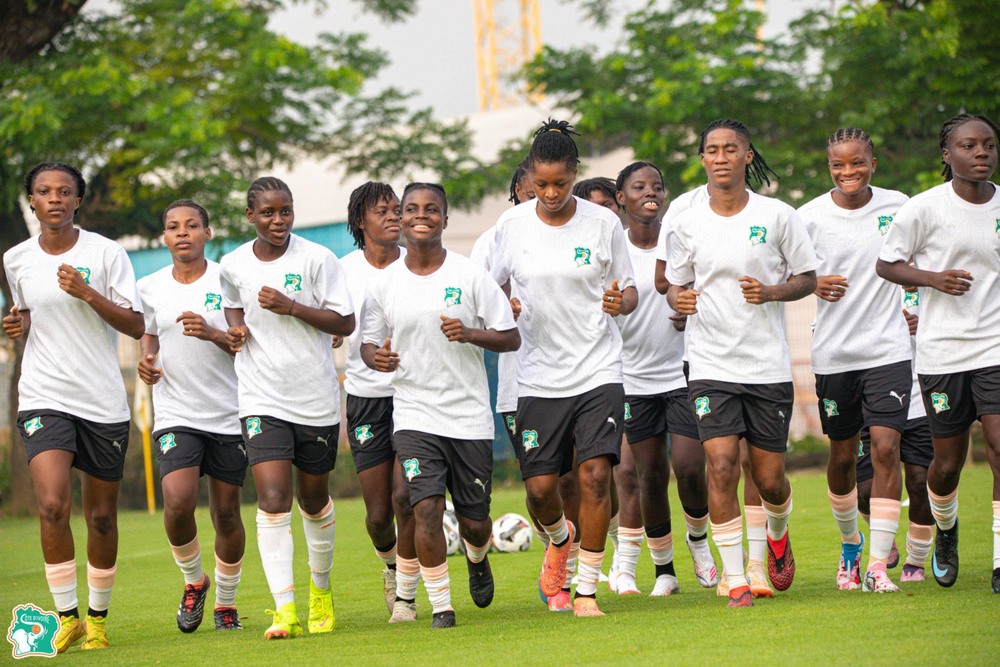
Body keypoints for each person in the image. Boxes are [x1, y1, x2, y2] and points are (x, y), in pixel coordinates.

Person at [667, 119, 819, 608]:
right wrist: (679, 298)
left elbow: (809, 278)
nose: (721, 157)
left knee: (769, 477)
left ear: (747, 156)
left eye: (731, 149)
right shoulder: (687, 220)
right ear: (703, 158)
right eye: (711, 149)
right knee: (721, 466)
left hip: (766, 366)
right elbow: (673, 283)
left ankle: (776, 535)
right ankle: (737, 579)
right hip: (709, 361)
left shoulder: (777, 216)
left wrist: (771, 292)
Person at [490, 119, 637, 617]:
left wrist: (621, 301)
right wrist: (502, 305)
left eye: (561, 182)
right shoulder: (509, 229)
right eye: (541, 183)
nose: (550, 193)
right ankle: (559, 539)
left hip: (598, 368)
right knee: (540, 490)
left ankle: (588, 589)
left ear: (575, 173)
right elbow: (488, 292)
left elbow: (630, 288)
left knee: (596, 476)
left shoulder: (603, 223)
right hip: (537, 375)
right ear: (529, 177)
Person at [360, 182, 519, 628]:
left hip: (468, 417)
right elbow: (368, 345)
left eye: (432, 209)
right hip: (413, 413)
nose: (420, 215)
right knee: (422, 506)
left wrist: (470, 333)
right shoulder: (385, 283)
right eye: (411, 209)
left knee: (475, 521)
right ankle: (441, 608)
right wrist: (378, 358)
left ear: (445, 219)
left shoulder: (470, 276)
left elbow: (510, 336)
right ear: (402, 219)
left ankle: (477, 554)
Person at [3, 162, 145, 651]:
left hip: (101, 399)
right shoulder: (16, 259)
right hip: (44, 394)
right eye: (44, 192)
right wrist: (15, 326)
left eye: (65, 191)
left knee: (102, 517)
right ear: (33, 202)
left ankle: (98, 620)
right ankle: (66, 616)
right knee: (51, 504)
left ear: (78, 200)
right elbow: (20, 314)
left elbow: (134, 325)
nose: (55, 199)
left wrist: (87, 293)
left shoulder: (106, 253)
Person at [220, 176, 355, 639]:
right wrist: (236, 330)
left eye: (285, 212)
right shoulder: (234, 263)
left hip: (314, 397)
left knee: (313, 500)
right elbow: (232, 305)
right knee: (274, 500)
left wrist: (292, 306)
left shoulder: (318, 259)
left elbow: (346, 321)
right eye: (268, 213)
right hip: (260, 396)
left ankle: (321, 590)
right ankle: (285, 608)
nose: (278, 221)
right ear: (250, 216)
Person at [876, 113, 1000, 593]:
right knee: (946, 464)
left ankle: (997, 558)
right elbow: (886, 265)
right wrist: (933, 279)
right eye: (969, 146)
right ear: (948, 155)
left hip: (993, 345)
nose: (982, 153)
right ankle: (945, 531)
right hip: (942, 354)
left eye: (988, 145)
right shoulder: (924, 209)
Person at [798, 128, 912, 593]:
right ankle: (850, 548)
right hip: (834, 355)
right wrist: (814, 284)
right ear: (829, 168)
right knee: (843, 457)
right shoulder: (808, 217)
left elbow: (920, 259)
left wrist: (916, 308)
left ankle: (879, 566)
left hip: (888, 349)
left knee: (886, 448)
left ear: (873, 163)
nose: (849, 172)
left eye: (857, 163)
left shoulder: (899, 206)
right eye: (838, 166)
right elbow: (789, 276)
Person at [136, 200, 247, 632]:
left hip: (228, 412)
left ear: (207, 232)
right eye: (173, 226)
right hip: (175, 412)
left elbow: (244, 342)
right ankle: (193, 581)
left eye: (192, 225)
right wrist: (147, 359)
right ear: (164, 236)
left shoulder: (228, 280)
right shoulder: (150, 286)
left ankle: (226, 605)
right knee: (178, 502)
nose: (182, 232)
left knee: (225, 514)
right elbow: (148, 335)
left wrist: (212, 332)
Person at [610, 161, 718, 596]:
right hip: (632, 379)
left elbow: (710, 291)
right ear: (622, 198)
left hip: (683, 372)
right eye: (638, 186)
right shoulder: (612, 247)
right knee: (649, 475)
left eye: (656, 185)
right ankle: (664, 571)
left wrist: (689, 313)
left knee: (691, 467)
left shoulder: (680, 241)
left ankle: (699, 544)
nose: (649, 192)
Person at [339, 182, 419, 623]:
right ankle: (391, 566)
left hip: (412, 396)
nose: (394, 217)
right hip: (366, 398)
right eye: (382, 211)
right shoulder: (342, 270)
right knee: (376, 514)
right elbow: (330, 319)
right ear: (360, 222)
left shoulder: (418, 264)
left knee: (404, 495)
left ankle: (406, 596)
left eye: (396, 210)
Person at [856, 297, 934, 583]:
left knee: (918, 482)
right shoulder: (867, 277)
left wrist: (921, 327)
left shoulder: (931, 277)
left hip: (919, 401)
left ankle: (917, 559)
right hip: (873, 402)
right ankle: (883, 532)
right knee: (864, 489)